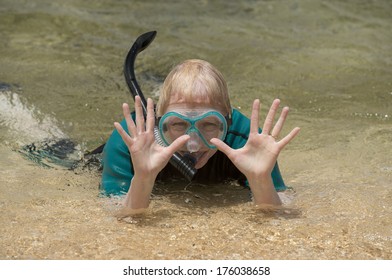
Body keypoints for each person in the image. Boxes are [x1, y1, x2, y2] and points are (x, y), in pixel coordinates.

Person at [101, 59, 300, 211]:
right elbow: (120, 218)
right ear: (161, 121)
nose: (194, 143)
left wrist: (261, 179)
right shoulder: (132, 140)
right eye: (178, 124)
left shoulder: (248, 140)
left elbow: (278, 214)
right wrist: (143, 177)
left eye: (209, 124)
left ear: (227, 122)